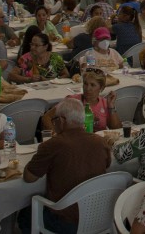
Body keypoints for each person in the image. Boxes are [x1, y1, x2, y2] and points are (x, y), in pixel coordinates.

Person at [23, 99, 112, 233]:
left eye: (54, 120)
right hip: (98, 217)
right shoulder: (100, 142)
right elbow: (107, 164)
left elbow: (29, 177)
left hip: (67, 221)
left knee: (25, 215)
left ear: (62, 120)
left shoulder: (53, 145)